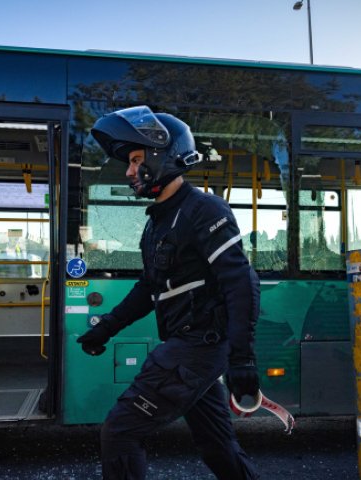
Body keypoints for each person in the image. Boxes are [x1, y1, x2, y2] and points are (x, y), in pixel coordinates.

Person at [78, 106, 260, 479]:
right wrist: (106, 328)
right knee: (218, 446)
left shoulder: (203, 210)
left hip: (196, 350)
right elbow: (150, 287)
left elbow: (241, 283)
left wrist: (242, 358)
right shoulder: (158, 221)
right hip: (190, 350)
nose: (129, 171)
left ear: (162, 155)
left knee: (120, 432)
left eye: (135, 160)